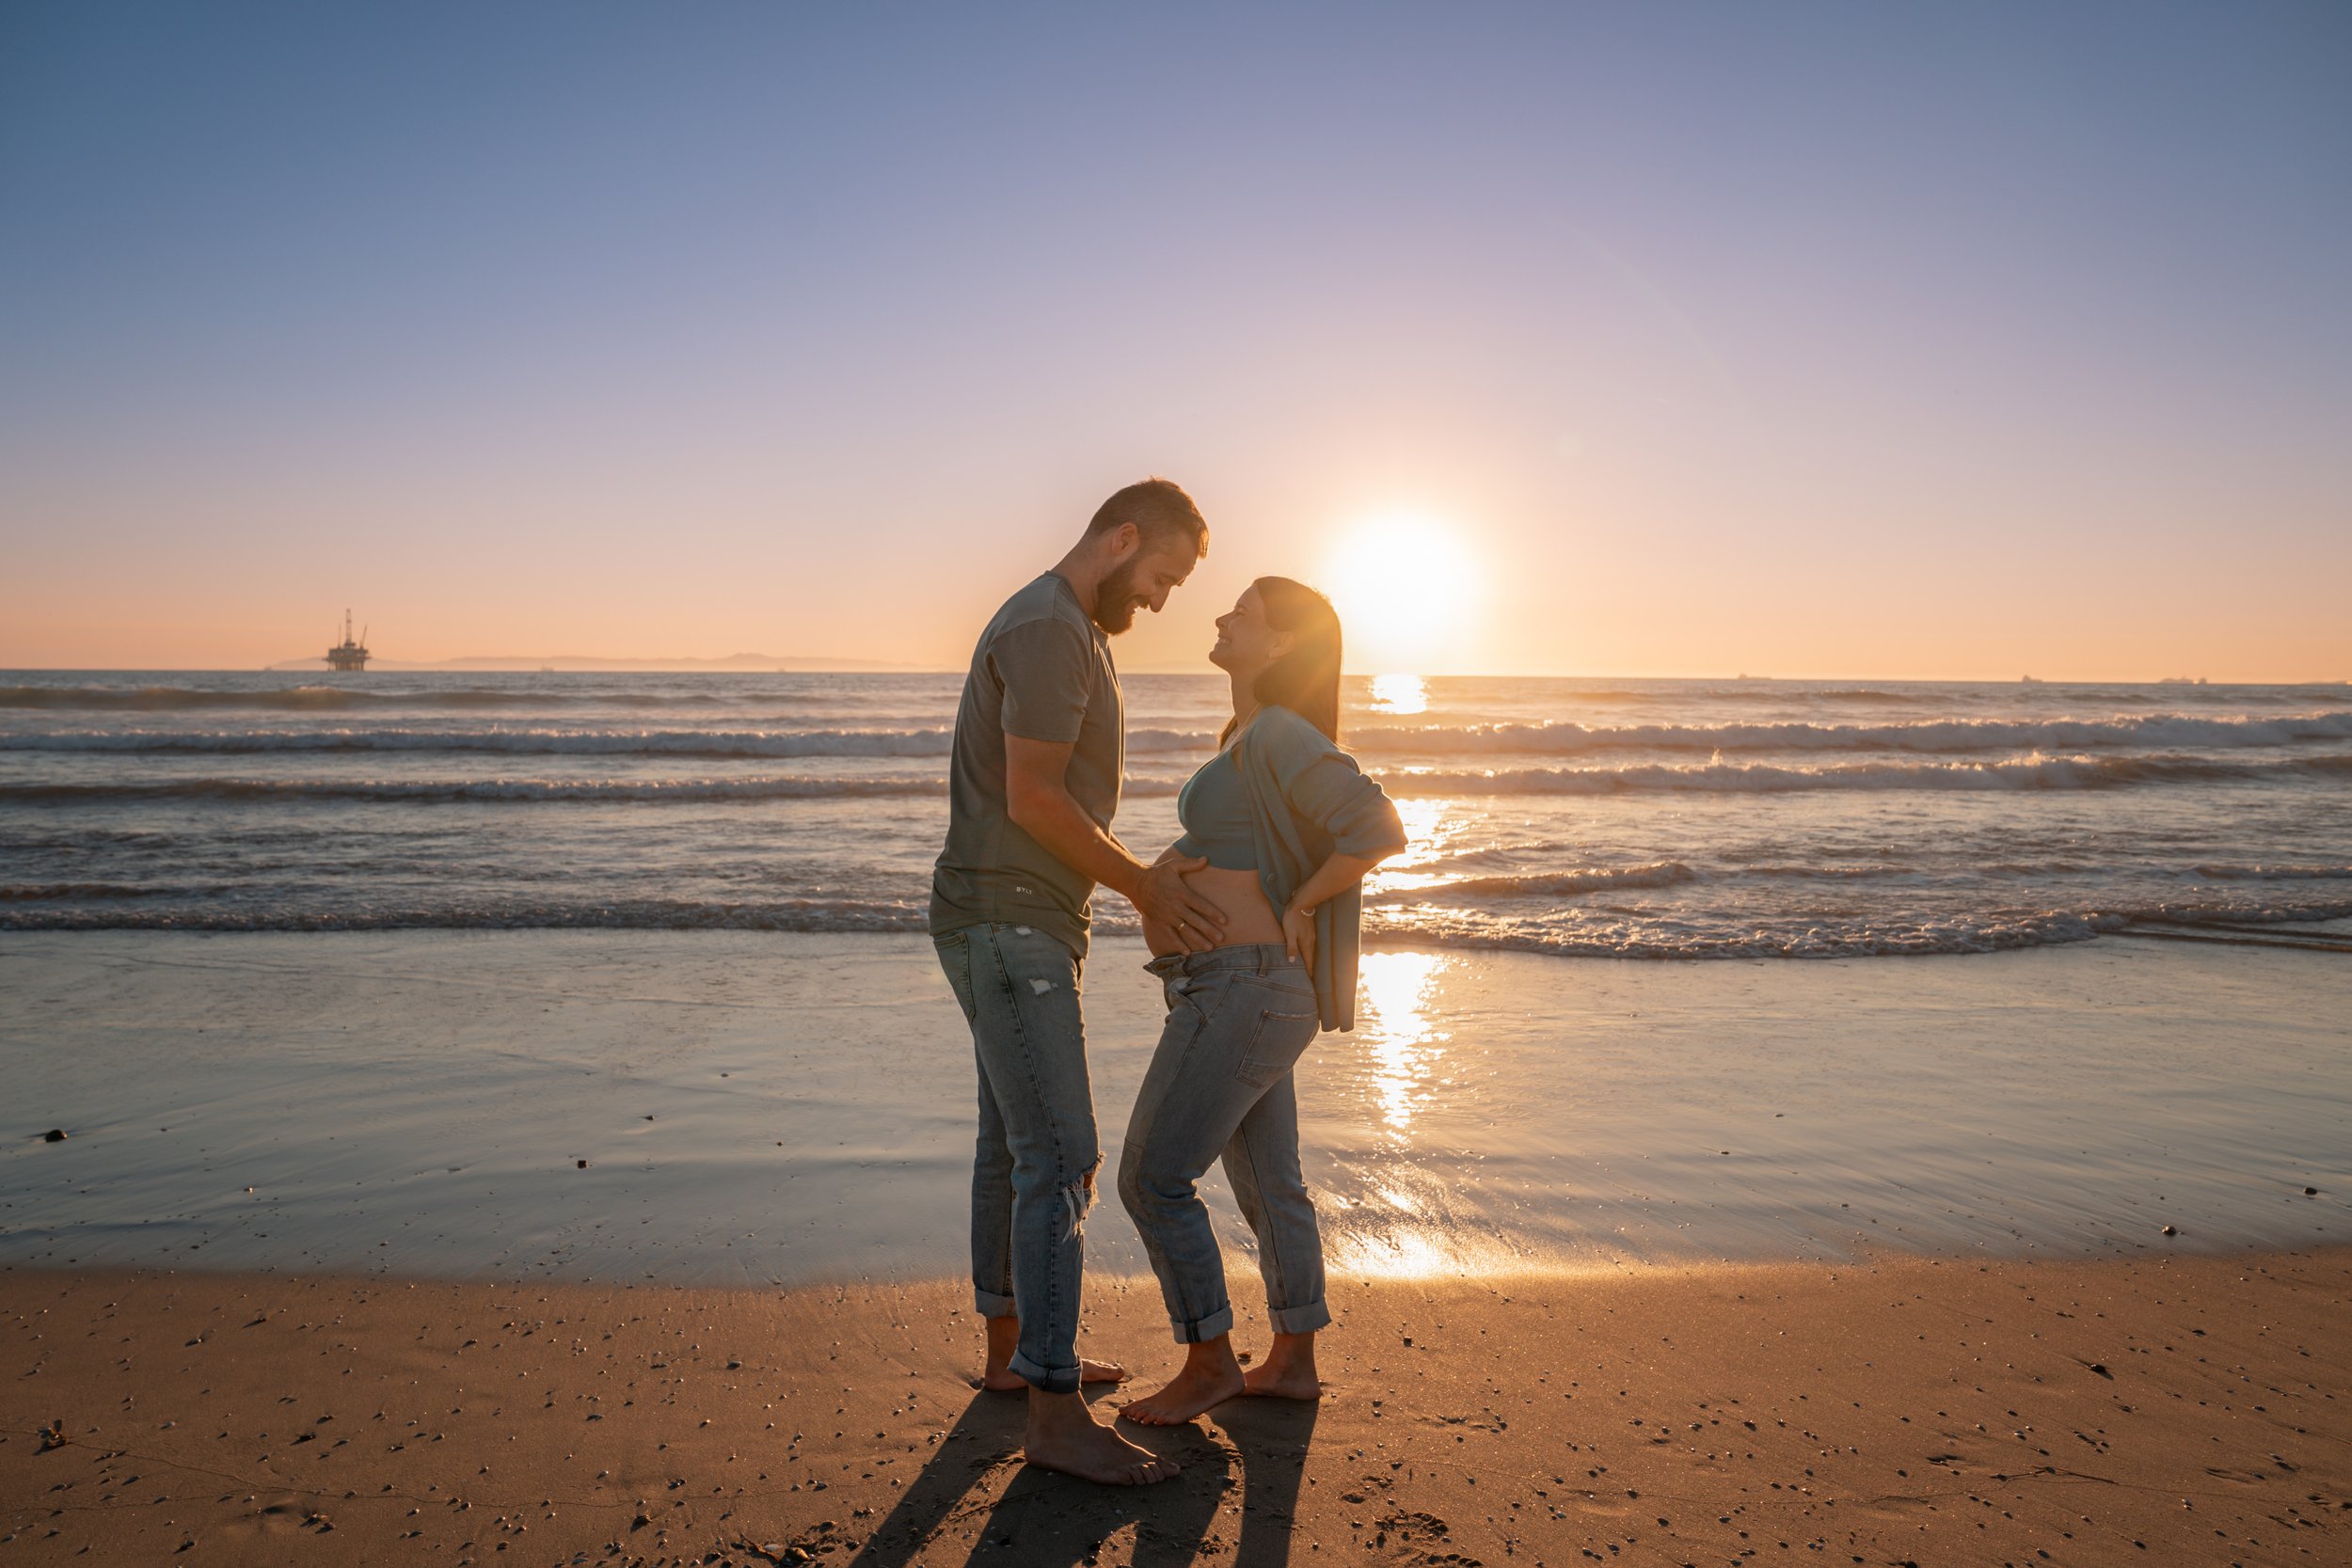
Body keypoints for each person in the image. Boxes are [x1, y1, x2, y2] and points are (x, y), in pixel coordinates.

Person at [929, 477, 1230, 1485]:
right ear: (1123, 538)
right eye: (1163, 576)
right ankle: (1054, 1413)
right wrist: (1144, 883)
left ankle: (1015, 1359)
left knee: (1010, 1147)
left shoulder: (1061, 623)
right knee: (1062, 1156)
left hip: (1009, 918)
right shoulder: (1052, 628)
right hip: (1007, 921)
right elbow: (1032, 798)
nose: (1161, 599)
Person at [1116, 577, 1406, 1425]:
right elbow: (1231, 840)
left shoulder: (1278, 730)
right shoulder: (1247, 733)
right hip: (1236, 986)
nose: (1220, 615)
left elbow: (1378, 825)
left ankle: (1208, 1359)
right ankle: (1293, 1359)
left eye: (1242, 612)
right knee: (1269, 1182)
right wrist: (1162, 871)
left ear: (1281, 644)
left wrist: (1306, 902)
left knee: (1153, 1178)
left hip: (1246, 985)